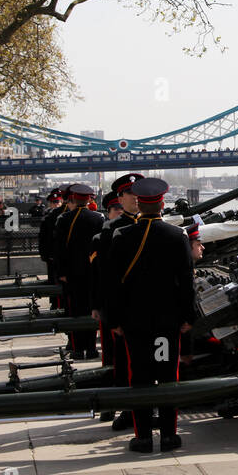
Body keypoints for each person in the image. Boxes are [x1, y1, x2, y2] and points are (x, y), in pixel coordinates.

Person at [105, 177, 195, 453]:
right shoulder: (176, 236)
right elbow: (185, 282)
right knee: (167, 373)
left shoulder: (122, 236)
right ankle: (168, 435)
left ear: (139, 204)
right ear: (162, 204)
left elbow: (114, 283)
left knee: (139, 376)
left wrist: (115, 321)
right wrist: (187, 318)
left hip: (134, 322)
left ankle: (143, 436)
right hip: (166, 322)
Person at [89, 173, 144, 430]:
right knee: (122, 361)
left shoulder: (152, 223)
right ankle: (127, 410)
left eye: (138, 192)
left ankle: (146, 408)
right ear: (120, 199)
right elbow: (106, 275)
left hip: (149, 306)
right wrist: (105, 310)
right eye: (129, 193)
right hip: (125, 306)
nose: (135, 197)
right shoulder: (111, 229)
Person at [54, 184, 104, 359]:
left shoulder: (64, 219)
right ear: (89, 199)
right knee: (91, 310)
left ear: (73, 199)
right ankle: (91, 347)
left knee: (74, 311)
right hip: (91, 272)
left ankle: (76, 347)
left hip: (72, 274)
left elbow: (59, 249)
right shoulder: (98, 218)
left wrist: (61, 272)